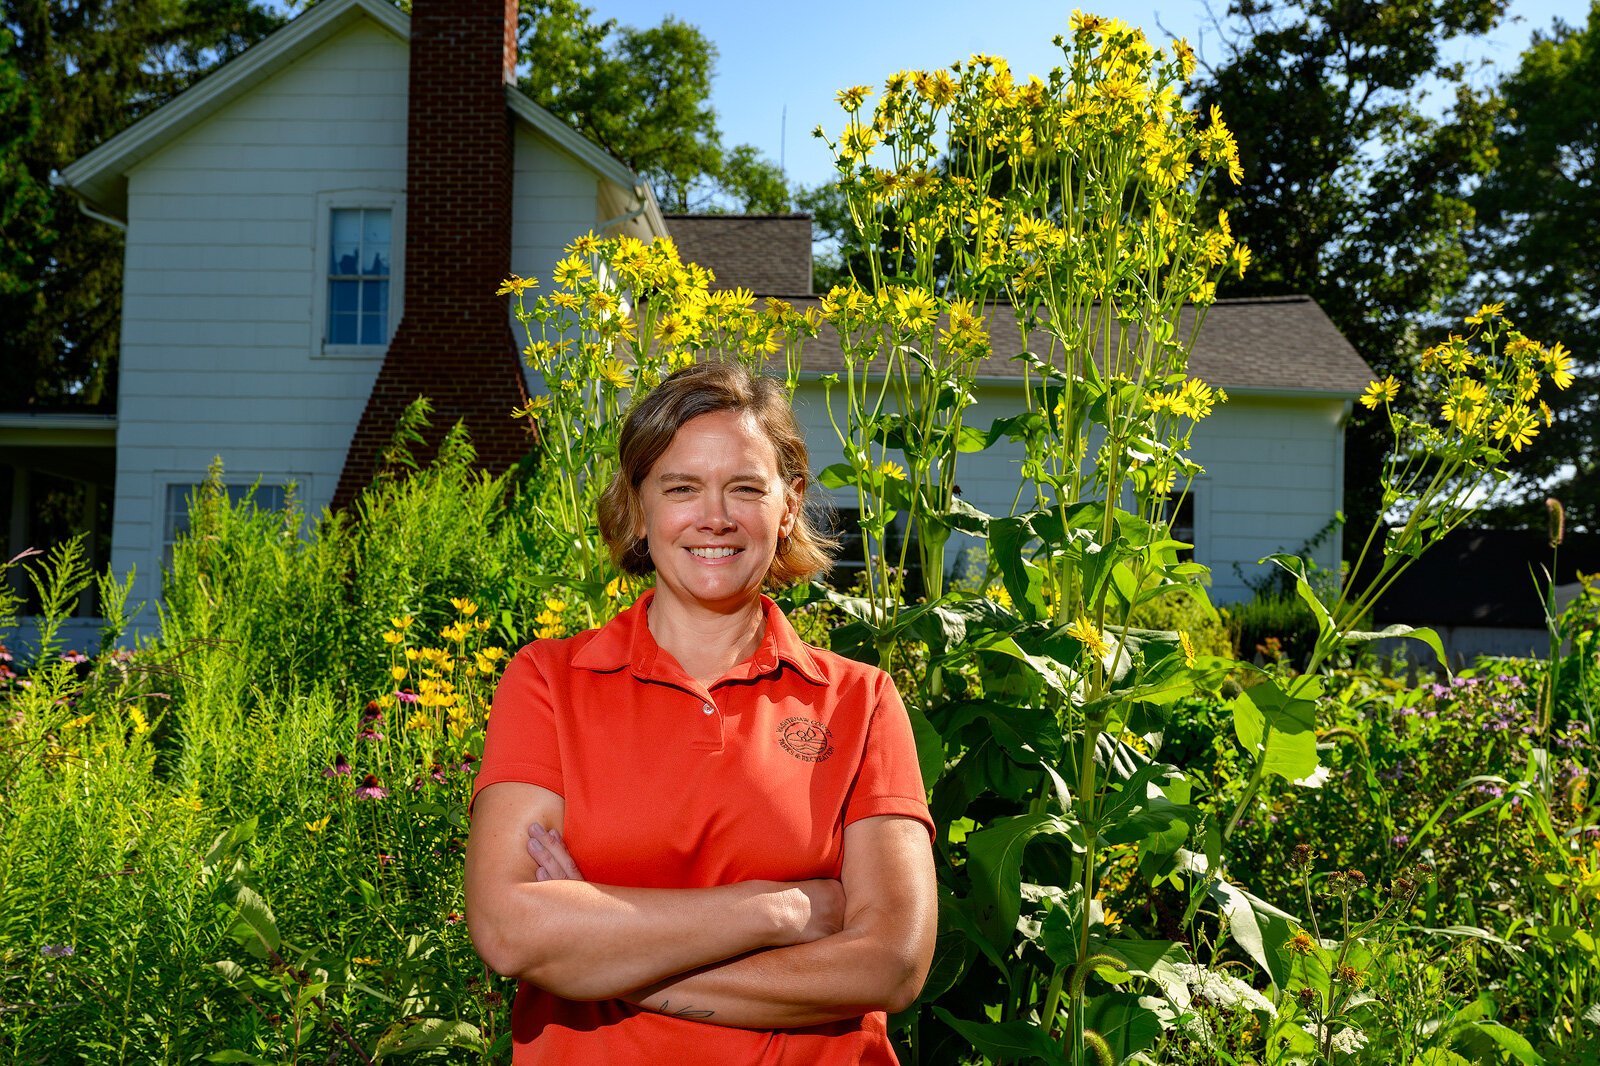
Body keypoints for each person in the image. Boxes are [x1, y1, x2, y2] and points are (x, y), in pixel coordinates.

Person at [465, 360, 938, 1064]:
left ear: (788, 504)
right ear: (638, 505)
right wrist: (782, 910)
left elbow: (892, 963)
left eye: (745, 488)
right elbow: (509, 932)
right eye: (681, 487)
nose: (714, 517)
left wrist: (597, 960)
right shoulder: (548, 682)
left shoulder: (861, 701)